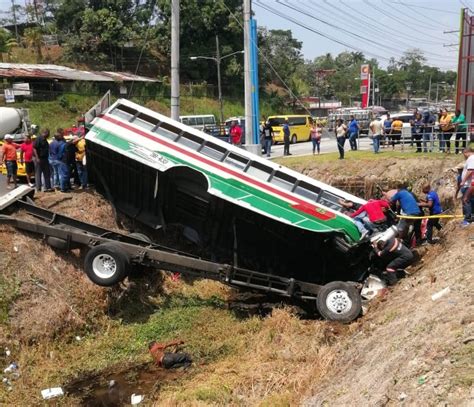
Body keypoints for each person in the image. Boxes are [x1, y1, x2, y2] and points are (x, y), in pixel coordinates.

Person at [459, 146, 474, 226]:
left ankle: (467, 219)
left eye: (463, 154)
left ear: (466, 152)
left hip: (469, 184)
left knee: (466, 200)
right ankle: (471, 217)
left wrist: (463, 181)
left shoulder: (471, 158)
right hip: (470, 184)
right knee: (470, 201)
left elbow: (471, 170)